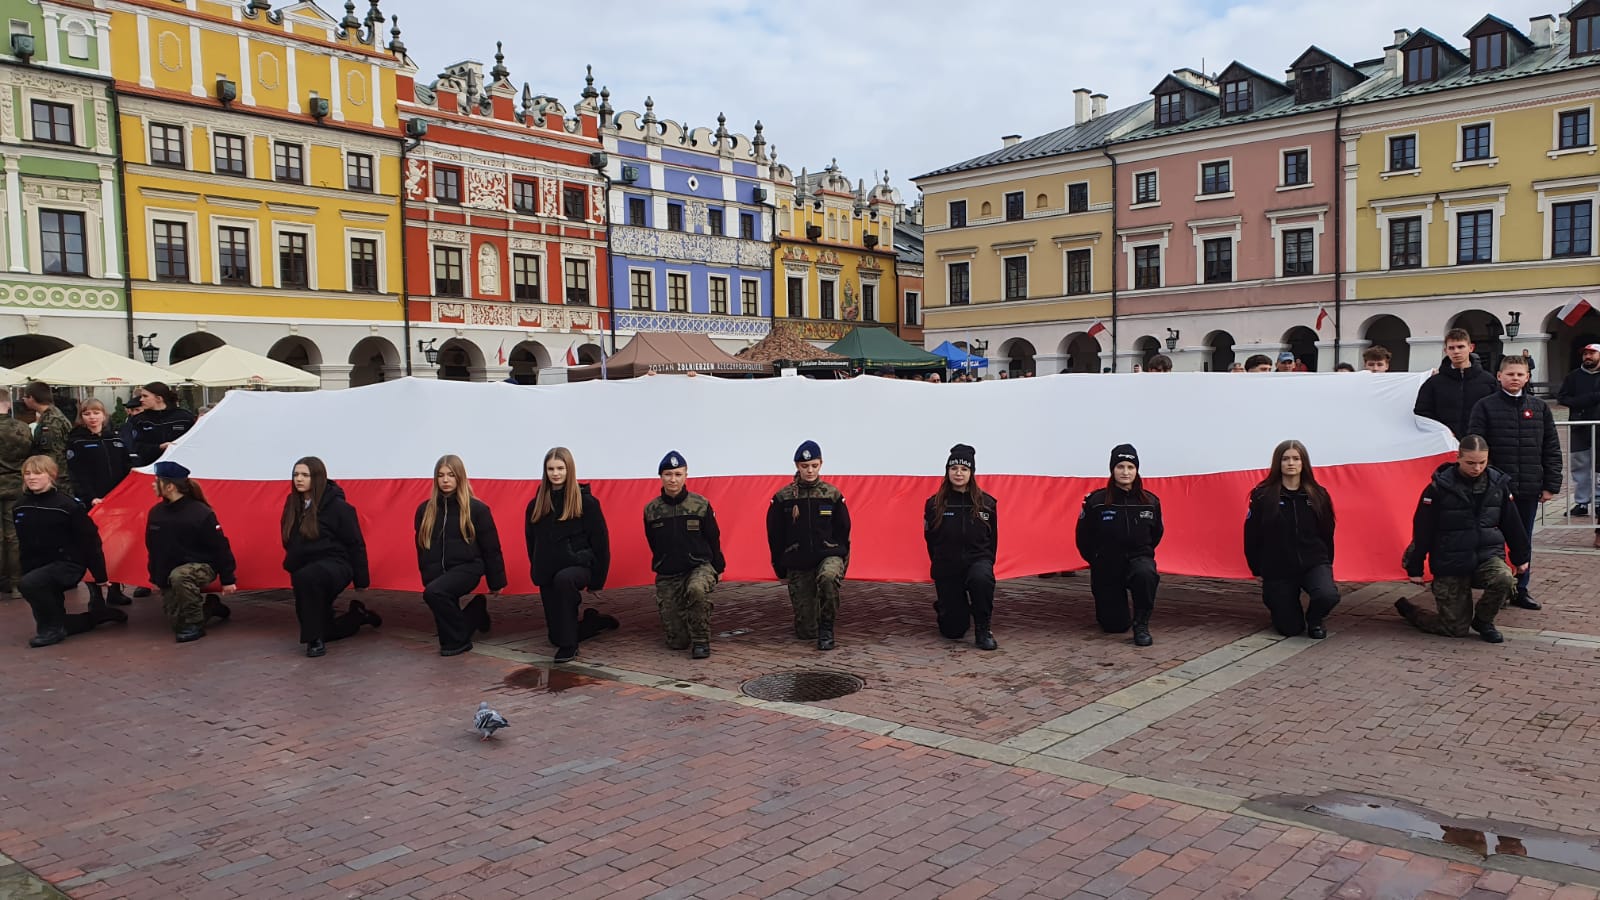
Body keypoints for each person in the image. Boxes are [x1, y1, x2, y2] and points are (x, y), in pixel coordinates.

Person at [1397, 436, 1529, 644]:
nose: (1477, 468)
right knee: (1455, 629)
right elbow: (1423, 530)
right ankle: (1410, 611)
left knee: (1504, 579)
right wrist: (1415, 567)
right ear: (1458, 458)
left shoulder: (1498, 485)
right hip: (1450, 562)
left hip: (1486, 557)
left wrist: (1521, 557)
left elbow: (1513, 523)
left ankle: (1484, 621)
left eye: (1482, 462)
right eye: (1470, 463)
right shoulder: (1437, 489)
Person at [1467, 355, 1561, 609]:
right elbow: (1476, 446)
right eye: (1510, 374)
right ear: (1499, 376)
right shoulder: (1484, 407)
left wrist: (1551, 484)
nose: (1515, 378)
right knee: (1493, 539)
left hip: (1529, 486)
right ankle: (1498, 587)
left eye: (1520, 374)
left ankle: (1521, 588)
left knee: (1523, 538)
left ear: (1527, 377)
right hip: (1495, 489)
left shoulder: (1540, 408)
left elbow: (1551, 447)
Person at [13, 455, 124, 647]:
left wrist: (100, 576)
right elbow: (24, 543)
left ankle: (52, 631)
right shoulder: (19, 506)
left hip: (68, 564)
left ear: (51, 475)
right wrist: (26, 569)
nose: (31, 478)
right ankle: (97, 616)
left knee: (29, 584)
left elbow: (90, 542)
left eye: (38, 473)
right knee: (57, 617)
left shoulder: (68, 506)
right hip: (39, 567)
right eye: (27, 473)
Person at [281, 456, 380, 658]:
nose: (299, 479)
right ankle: (357, 617)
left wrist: (361, 580)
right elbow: (289, 537)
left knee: (306, 579)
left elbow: (355, 543)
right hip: (306, 567)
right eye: (296, 474)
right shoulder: (292, 503)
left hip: (336, 565)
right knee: (325, 627)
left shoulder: (338, 507)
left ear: (317, 477)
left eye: (305, 475)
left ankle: (313, 641)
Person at [525, 447, 615, 664]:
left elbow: (601, 543)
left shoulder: (586, 503)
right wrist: (537, 568)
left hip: (579, 566)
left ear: (569, 470)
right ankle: (594, 622)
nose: (555, 473)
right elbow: (532, 543)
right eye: (551, 469)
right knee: (555, 636)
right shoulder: (535, 506)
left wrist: (597, 581)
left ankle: (570, 647)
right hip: (548, 570)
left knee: (563, 580)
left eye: (560, 468)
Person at [1244, 440, 1340, 638]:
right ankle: (1283, 606)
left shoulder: (1318, 494)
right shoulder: (1263, 496)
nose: (1290, 463)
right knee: (1291, 629)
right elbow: (1252, 535)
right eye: (1285, 459)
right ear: (1277, 463)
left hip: (1312, 562)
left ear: (1303, 462)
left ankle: (1315, 619)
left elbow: (1327, 532)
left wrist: (1326, 564)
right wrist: (1257, 568)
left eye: (1296, 459)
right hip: (1278, 568)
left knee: (1328, 595)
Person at [414, 455, 506, 657]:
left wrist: (496, 581)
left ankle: (460, 642)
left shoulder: (477, 509)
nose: (445, 480)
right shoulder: (425, 510)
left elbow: (491, 548)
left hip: (468, 568)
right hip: (438, 572)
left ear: (460, 477)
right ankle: (476, 612)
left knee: (436, 595)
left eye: (451, 475)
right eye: (441, 475)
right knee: (445, 631)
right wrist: (427, 577)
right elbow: (421, 547)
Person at [767, 440, 851, 651]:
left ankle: (827, 628)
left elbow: (843, 530)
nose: (810, 470)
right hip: (798, 560)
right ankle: (812, 620)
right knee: (806, 632)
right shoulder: (783, 497)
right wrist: (779, 566)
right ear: (797, 466)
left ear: (821, 464)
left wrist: (842, 559)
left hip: (828, 554)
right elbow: (775, 534)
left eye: (814, 465)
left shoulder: (831, 494)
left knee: (828, 577)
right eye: (805, 466)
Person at [1076, 444, 1163, 647]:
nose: (1125, 472)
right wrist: (1097, 560)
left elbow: (1156, 534)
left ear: (1136, 470)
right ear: (1112, 469)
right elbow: (1083, 537)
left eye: (1130, 467)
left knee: (1146, 573)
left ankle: (1141, 625)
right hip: (1108, 565)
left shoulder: (1150, 502)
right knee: (1114, 626)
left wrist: (1143, 554)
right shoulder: (1096, 501)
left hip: (1138, 559)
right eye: (1120, 466)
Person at [145, 460, 238, 643]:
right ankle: (212, 607)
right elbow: (154, 548)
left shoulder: (200, 513)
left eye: (157, 481)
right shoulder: (156, 513)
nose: (153, 485)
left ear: (170, 486)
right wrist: (155, 578)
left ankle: (195, 625)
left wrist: (228, 579)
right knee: (177, 623)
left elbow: (220, 546)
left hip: (202, 566)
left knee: (180, 576)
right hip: (171, 572)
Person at [644, 451, 724, 659]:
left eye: (678, 474)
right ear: (661, 477)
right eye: (668, 474)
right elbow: (653, 542)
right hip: (669, 572)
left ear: (686, 475)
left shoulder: (700, 504)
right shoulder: (651, 510)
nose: (673, 479)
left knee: (696, 589)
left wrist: (718, 567)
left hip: (698, 566)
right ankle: (684, 628)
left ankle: (701, 640)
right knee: (677, 643)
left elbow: (713, 537)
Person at [923, 443, 998, 650]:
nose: (958, 473)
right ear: (947, 471)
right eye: (954, 468)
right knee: (953, 631)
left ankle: (983, 629)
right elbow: (930, 538)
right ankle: (947, 607)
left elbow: (993, 540)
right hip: (947, 565)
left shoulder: (987, 503)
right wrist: (940, 563)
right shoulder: (934, 504)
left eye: (964, 469)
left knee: (981, 578)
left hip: (977, 560)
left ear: (971, 473)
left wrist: (986, 563)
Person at [66, 399, 135, 607]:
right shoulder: (76, 441)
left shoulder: (115, 439)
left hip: (116, 502)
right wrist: (89, 497)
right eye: (87, 414)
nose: (92, 417)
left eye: (96, 413)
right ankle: (95, 593)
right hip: (93, 502)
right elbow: (76, 474)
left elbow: (127, 468)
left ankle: (115, 589)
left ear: (104, 415)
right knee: (93, 547)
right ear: (82, 417)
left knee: (117, 546)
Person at [1414, 328, 1497, 438]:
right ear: (1446, 351)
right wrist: (1441, 430)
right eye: (1451, 348)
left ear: (1471, 348)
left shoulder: (1488, 381)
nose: (1456, 351)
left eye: (1460, 347)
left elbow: (1497, 412)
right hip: (1444, 441)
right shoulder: (1433, 383)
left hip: (1478, 442)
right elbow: (1422, 412)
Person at [1556, 343, 1600, 523]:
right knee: (1580, 465)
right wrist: (1588, 400)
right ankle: (1582, 502)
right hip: (1579, 426)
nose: (1587, 356)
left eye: (1592, 353)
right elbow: (1562, 397)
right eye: (1585, 354)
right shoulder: (1573, 376)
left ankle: (1599, 501)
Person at [0, 394, 33, 600]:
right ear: (7, 404)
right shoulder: (22, 427)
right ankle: (16, 584)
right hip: (15, 484)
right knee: (14, 536)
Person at [127, 382, 197, 466]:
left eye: (145, 396)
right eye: (141, 396)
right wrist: (159, 447)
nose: (141, 399)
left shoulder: (184, 417)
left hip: (182, 465)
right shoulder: (139, 420)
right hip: (150, 466)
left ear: (159, 398)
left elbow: (196, 441)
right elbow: (134, 446)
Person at [23, 382, 72, 497]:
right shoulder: (50, 415)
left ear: (31, 398)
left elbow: (51, 453)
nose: (23, 400)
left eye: (24, 397)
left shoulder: (51, 421)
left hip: (57, 478)